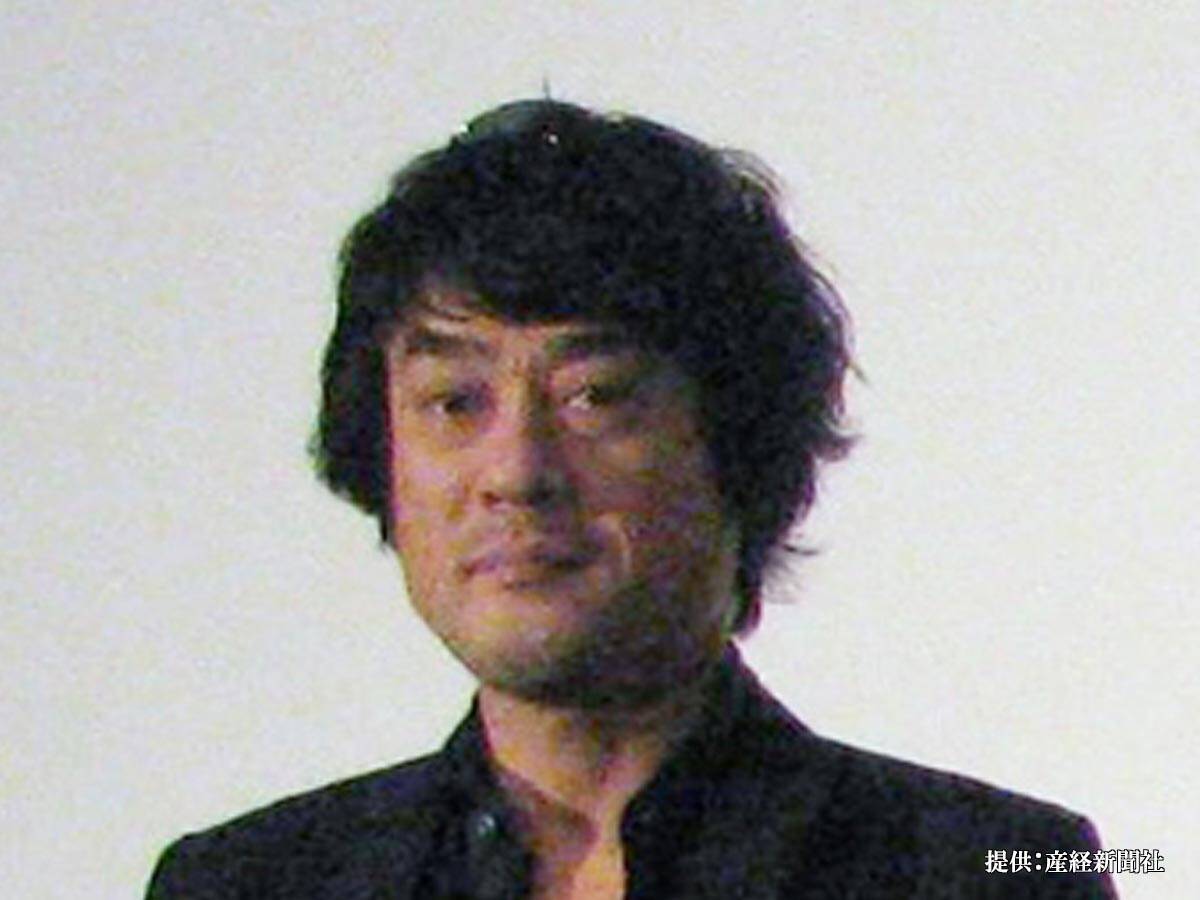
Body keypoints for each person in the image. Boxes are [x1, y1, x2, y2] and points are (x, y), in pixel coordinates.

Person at [146, 99, 1115, 898]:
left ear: (739, 441)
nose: (516, 472)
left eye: (596, 395)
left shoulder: (1000, 870)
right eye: (454, 402)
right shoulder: (242, 883)